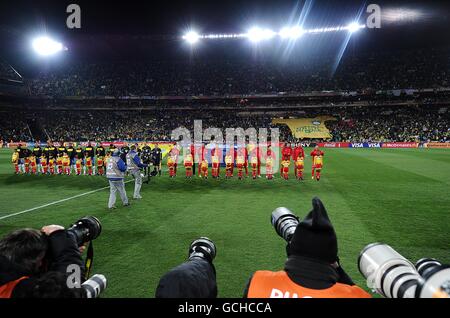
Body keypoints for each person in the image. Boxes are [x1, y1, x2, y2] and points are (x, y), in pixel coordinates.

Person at [244, 197, 371, 298]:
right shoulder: (356, 295)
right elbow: (350, 289)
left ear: (292, 250)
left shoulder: (258, 281)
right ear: (332, 260)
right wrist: (338, 269)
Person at [0, 225, 84, 298]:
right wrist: (68, 252)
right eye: (41, 260)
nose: (41, 264)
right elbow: (71, 289)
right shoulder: (16, 288)